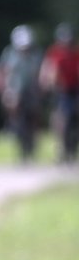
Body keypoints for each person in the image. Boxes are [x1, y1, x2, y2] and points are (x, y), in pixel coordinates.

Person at [0, 24, 43, 163]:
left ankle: (33, 142)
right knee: (13, 108)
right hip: (14, 90)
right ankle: (11, 127)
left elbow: (40, 73)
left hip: (31, 90)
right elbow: (3, 72)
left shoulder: (36, 54)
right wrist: (5, 90)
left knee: (34, 114)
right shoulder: (9, 53)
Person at [41, 23, 79, 163]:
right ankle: (60, 148)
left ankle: (72, 149)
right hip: (61, 90)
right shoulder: (54, 53)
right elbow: (50, 71)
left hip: (74, 89)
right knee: (61, 118)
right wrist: (48, 83)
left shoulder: (75, 53)